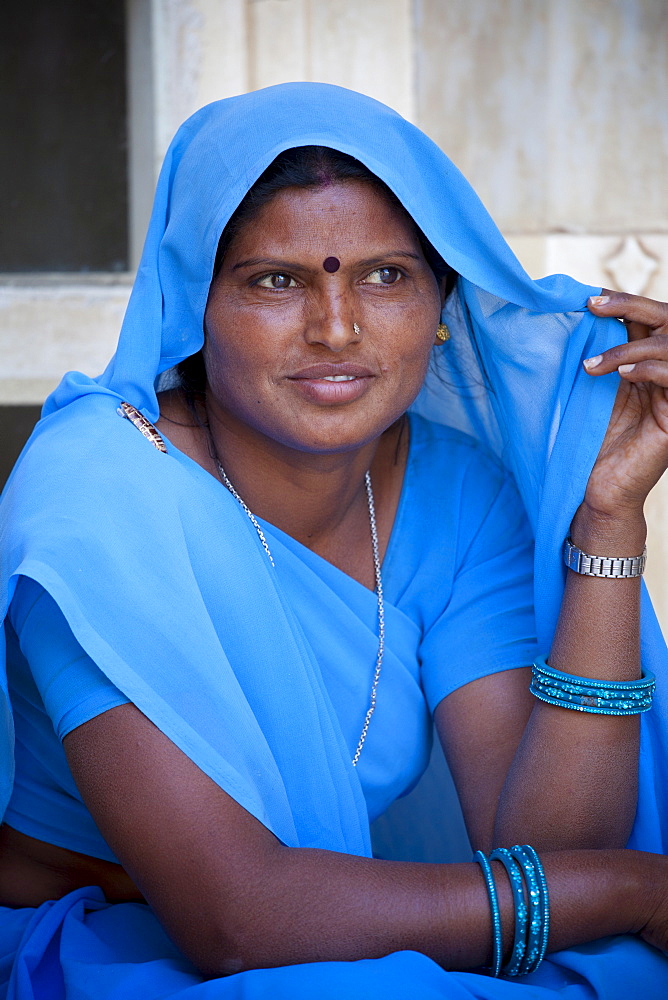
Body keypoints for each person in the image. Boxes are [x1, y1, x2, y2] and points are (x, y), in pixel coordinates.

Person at [1, 82, 668, 999]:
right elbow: (237, 920)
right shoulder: (101, 495)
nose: (337, 328)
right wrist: (642, 888)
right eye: (277, 280)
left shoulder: (455, 491)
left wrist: (608, 520)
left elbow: (553, 863)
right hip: (96, 944)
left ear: (443, 301)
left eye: (386, 275)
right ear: (194, 304)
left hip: (331, 939)